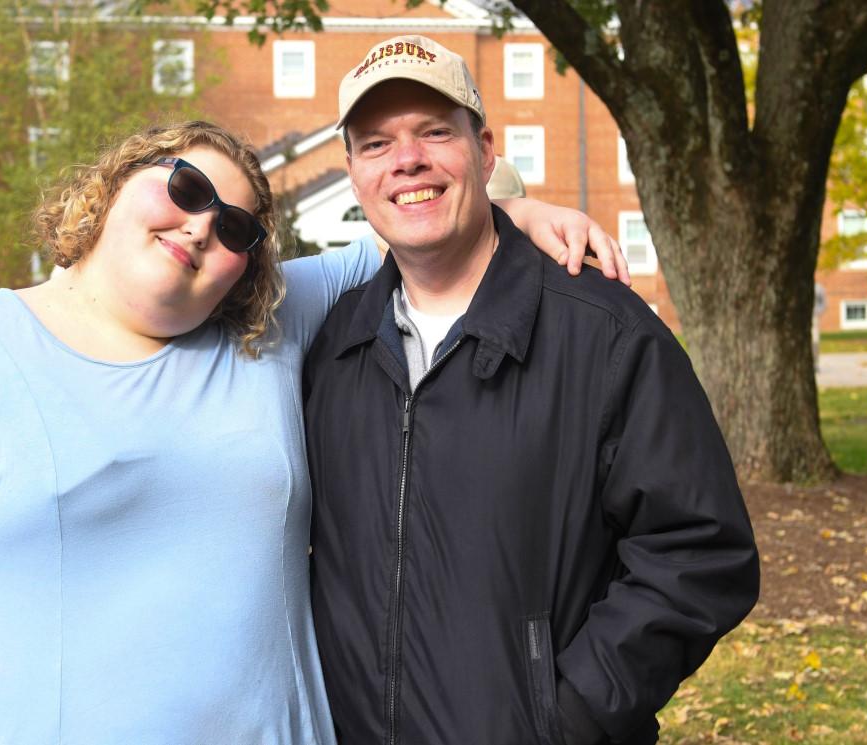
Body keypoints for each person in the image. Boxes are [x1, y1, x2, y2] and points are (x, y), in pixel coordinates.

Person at [0, 120, 629, 743]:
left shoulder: (270, 331)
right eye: (184, 187)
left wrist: (514, 206)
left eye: (241, 230)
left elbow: (407, 234)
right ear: (112, 184)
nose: (204, 226)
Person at [303, 35, 760, 745]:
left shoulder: (605, 334)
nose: (407, 161)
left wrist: (566, 718)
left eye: (433, 132)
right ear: (355, 173)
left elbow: (700, 550)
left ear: (485, 151)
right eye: (375, 144)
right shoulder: (336, 347)